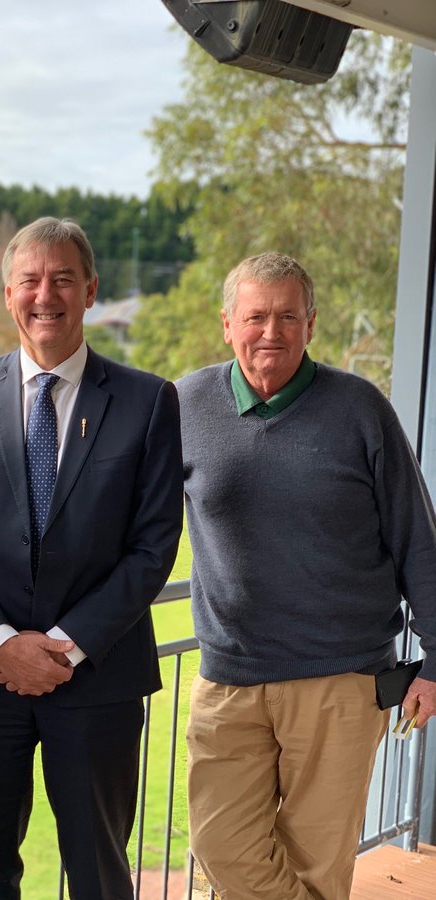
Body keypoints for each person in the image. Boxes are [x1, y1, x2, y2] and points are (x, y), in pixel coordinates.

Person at [0, 217, 183, 900]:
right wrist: (2, 645)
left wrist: (63, 648)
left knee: (97, 871)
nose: (46, 294)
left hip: (99, 679)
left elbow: (153, 548)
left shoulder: (148, 401)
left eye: (63, 278)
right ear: (8, 295)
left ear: (90, 290)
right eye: (30, 280)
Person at [178, 252, 436, 900]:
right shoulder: (185, 404)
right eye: (257, 316)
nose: (272, 331)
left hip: (339, 679)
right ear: (227, 323)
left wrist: (434, 661)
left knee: (317, 861)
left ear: (311, 324)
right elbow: (133, 520)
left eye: (288, 316)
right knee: (219, 844)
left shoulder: (360, 409)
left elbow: (416, 537)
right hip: (230, 675)